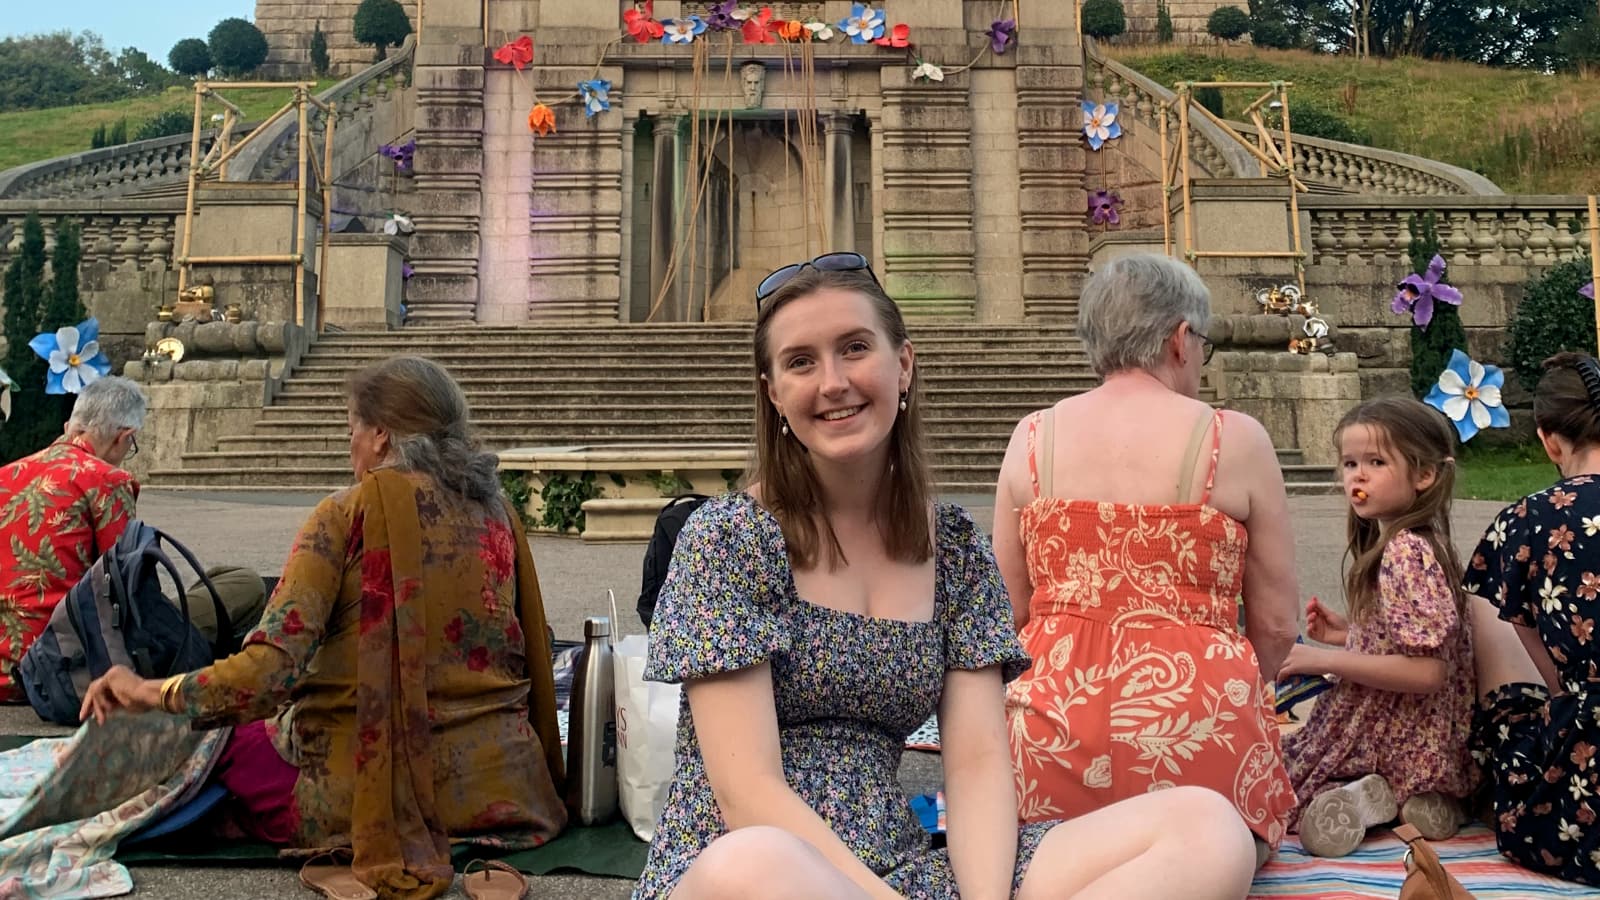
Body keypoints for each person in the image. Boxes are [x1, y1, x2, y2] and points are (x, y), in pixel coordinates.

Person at [635, 253, 1257, 900]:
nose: (833, 381)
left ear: (902, 364)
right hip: (744, 872)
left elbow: (979, 762)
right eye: (800, 362)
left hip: (903, 865)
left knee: (1207, 829)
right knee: (758, 861)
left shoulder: (954, 546)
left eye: (854, 348)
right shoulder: (728, 539)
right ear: (773, 392)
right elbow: (748, 794)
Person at [79, 356, 566, 900]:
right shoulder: (500, 516)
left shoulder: (347, 513)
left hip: (363, 792)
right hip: (504, 787)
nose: (350, 443)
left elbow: (268, 675)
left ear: (381, 435)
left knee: (217, 741)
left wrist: (150, 691)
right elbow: (532, 648)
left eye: (352, 428)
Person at [992, 253, 1298, 850]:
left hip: (1049, 734)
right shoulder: (1232, 438)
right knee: (1215, 852)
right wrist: (1237, 692)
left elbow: (1007, 614)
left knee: (1053, 853)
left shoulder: (1031, 438)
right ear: (1181, 339)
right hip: (1198, 732)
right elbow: (1279, 623)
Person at [1277, 396, 1478, 858]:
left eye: (1376, 462)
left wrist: (1326, 659)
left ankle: (1361, 794)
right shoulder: (1422, 542)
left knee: (1284, 780)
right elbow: (1408, 639)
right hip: (1428, 744)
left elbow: (1428, 672)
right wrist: (1349, 634)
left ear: (1424, 475)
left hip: (1390, 726)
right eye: (1349, 463)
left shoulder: (1405, 551)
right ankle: (1413, 797)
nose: (1357, 476)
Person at [1464, 352, 1600, 886]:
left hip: (1582, 797)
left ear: (1548, 439)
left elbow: (1558, 683)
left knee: (1486, 604)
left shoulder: (1524, 521)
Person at [0, 376, 144, 701]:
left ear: (69, 426)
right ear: (124, 437)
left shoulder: (6, 474)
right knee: (239, 587)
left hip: (2, 668)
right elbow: (126, 583)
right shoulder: (107, 478)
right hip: (51, 669)